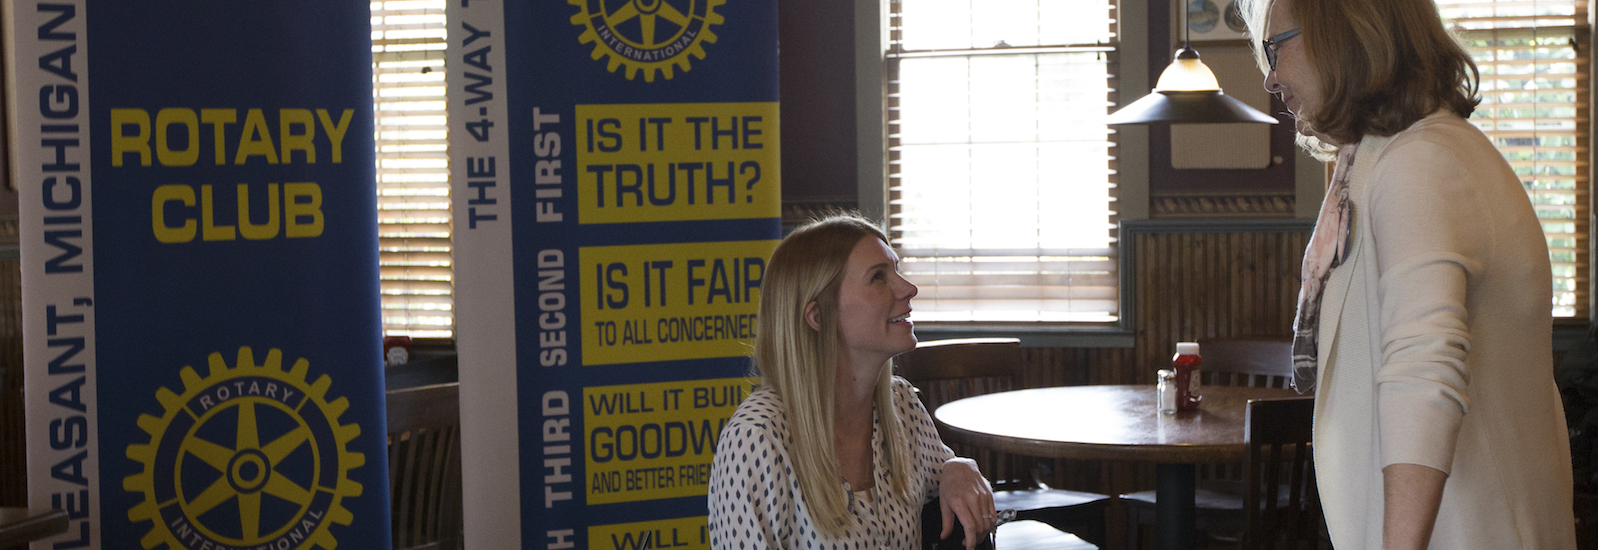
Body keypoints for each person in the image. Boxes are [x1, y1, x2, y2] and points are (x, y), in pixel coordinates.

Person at [1238, 0, 1578, 547]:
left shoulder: (1418, 163)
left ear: (1344, 30)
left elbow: (1422, 376)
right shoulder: (1391, 156)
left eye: (1277, 47)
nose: (1271, 77)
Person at [708, 215, 997, 549]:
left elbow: (940, 474)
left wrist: (958, 467)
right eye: (878, 277)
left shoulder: (901, 402)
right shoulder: (757, 438)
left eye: (896, 269)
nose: (908, 288)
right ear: (819, 317)